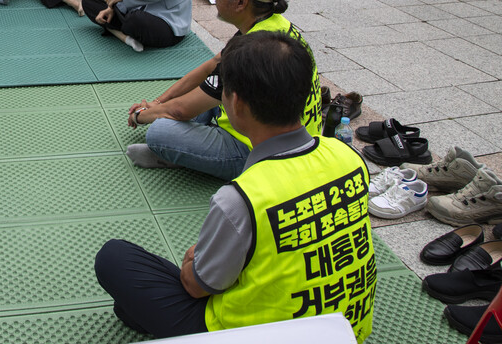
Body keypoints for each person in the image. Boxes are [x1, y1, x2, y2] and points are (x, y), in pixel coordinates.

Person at [95, 31, 375, 342]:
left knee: (114, 257)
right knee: (132, 307)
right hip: (344, 332)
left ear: (236, 104)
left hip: (251, 332)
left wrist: (194, 256)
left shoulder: (242, 196)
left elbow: (195, 284)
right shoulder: (349, 157)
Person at [125, 0, 322, 180]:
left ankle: (182, 156)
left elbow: (180, 111)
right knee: (192, 97)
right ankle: (189, 149)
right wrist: (158, 103)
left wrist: (142, 115)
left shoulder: (252, 50)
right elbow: (211, 66)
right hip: (282, 131)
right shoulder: (271, 26)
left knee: (159, 132)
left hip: (260, 152)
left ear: (241, 2)